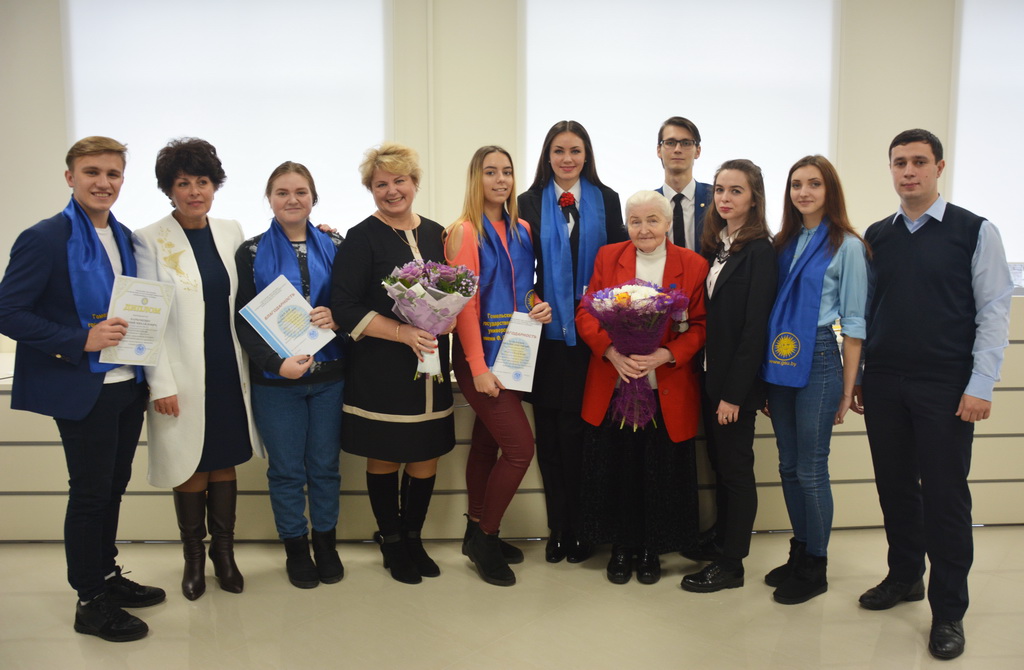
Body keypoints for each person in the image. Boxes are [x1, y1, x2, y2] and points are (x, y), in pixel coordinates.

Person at [855, 129, 1012, 660]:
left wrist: (980, 385)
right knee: (895, 488)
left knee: (945, 498)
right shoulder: (878, 235)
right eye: (899, 162)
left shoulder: (975, 231)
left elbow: (994, 311)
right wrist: (860, 376)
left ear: (939, 168)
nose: (909, 171)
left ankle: (949, 611)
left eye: (919, 161)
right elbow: (867, 309)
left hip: (945, 385)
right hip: (884, 382)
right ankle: (905, 577)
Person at [0, 137, 165, 642]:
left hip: (126, 383)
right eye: (92, 172)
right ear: (70, 177)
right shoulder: (45, 237)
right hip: (82, 386)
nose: (103, 182)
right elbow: (8, 312)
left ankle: (106, 575)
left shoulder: (126, 238)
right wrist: (81, 338)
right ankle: (90, 601)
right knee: (91, 494)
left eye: (113, 174)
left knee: (112, 488)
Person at [133, 138, 263, 601]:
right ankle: (193, 558)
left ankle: (224, 555)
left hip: (228, 367)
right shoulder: (149, 238)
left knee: (224, 460)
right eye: (183, 183)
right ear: (169, 190)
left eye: (202, 182)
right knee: (191, 462)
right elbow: (146, 319)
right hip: (181, 375)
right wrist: (160, 385)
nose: (194, 192)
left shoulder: (231, 230)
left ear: (215, 185)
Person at [331, 142, 455, 585]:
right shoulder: (362, 237)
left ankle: (414, 538)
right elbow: (344, 306)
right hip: (382, 366)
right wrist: (401, 332)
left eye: (399, 180)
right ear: (371, 189)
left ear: (415, 183)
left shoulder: (438, 233)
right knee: (385, 456)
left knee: (425, 455)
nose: (391, 190)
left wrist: (449, 318)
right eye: (380, 184)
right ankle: (392, 540)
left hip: (432, 365)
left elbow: (454, 292)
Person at [576, 191, 708, 585]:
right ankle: (621, 547)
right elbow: (586, 312)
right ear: (626, 225)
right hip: (616, 384)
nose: (644, 229)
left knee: (659, 471)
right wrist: (610, 351)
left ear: (668, 223)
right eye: (635, 221)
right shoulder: (608, 257)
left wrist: (666, 354)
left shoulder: (693, 264)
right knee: (620, 468)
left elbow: (699, 325)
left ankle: (652, 549)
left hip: (665, 385)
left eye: (653, 220)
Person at [759, 155, 869, 604]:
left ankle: (816, 565)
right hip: (780, 358)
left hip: (821, 356)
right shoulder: (782, 243)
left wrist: (848, 386)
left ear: (830, 190)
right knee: (787, 465)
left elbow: (855, 322)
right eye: (796, 185)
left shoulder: (848, 246)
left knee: (810, 467)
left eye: (814, 184)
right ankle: (800, 549)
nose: (803, 192)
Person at [517, 120, 627, 564]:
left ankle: (586, 528)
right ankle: (558, 528)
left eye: (575, 150)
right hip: (547, 337)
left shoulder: (607, 199)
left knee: (587, 436)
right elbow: (519, 272)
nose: (567, 159)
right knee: (551, 438)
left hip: (595, 338)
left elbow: (620, 267)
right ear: (547, 156)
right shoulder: (526, 202)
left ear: (587, 155)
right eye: (559, 151)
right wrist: (533, 301)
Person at [235, 161, 345, 589]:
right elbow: (243, 319)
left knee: (325, 467)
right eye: (282, 192)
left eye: (301, 191)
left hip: (330, 376)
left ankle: (326, 544)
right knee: (285, 471)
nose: (292, 199)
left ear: (314, 197)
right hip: (276, 381)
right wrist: (273, 363)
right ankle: (296, 549)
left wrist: (337, 316)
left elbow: (352, 301)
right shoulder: (249, 252)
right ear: (269, 199)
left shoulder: (337, 243)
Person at [446, 146, 552, 586]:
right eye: (491, 172)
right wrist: (477, 367)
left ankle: (475, 531)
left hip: (515, 355)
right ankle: (486, 538)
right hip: (481, 359)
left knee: (487, 444)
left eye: (506, 172)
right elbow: (464, 307)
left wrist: (538, 304)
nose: (501, 180)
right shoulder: (463, 232)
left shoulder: (522, 229)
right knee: (520, 450)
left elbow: (521, 287)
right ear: (476, 178)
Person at [681, 159, 777, 593]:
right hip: (710, 376)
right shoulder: (717, 245)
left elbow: (755, 330)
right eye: (720, 189)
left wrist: (734, 396)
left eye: (736, 191)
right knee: (719, 465)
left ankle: (732, 564)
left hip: (735, 387)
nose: (724, 198)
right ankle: (721, 538)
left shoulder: (760, 251)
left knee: (736, 472)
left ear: (754, 198)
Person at [654, 116, 713, 254]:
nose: (677, 149)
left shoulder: (715, 199)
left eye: (686, 143)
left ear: (698, 151)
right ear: (659, 150)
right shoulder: (646, 204)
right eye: (670, 142)